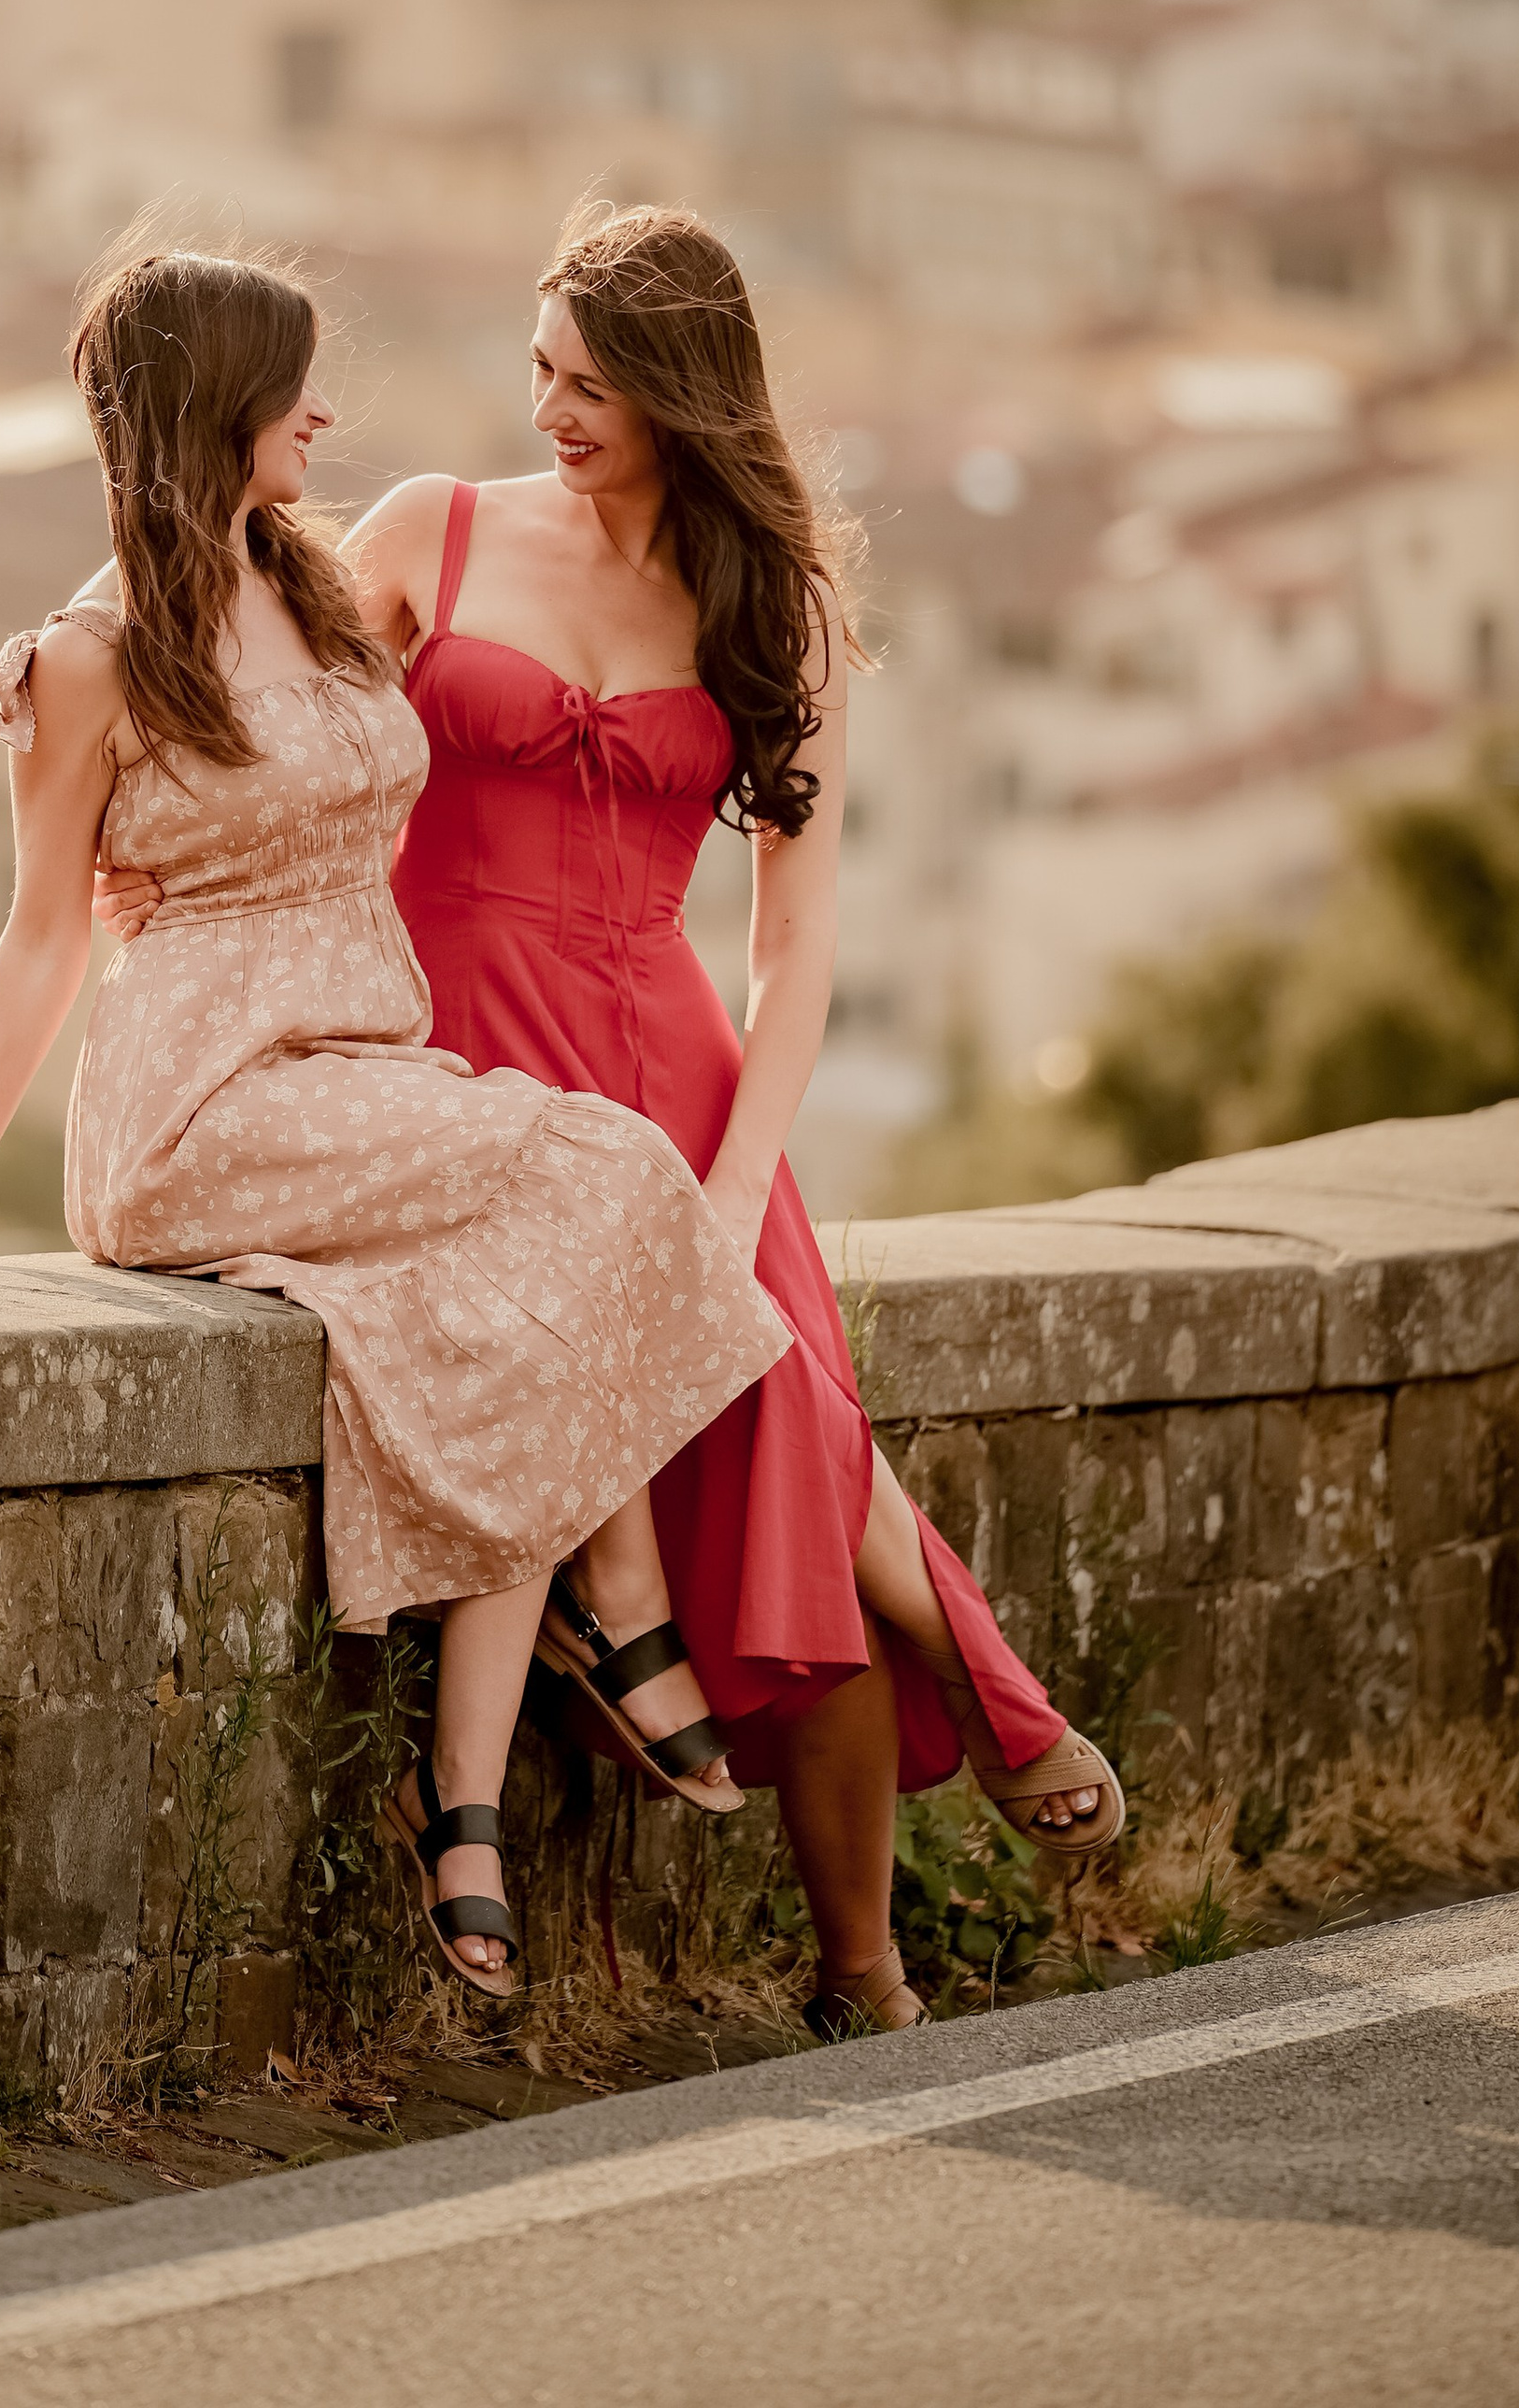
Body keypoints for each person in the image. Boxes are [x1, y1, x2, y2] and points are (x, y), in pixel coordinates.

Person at [98, 207, 1122, 2038]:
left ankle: (860, 1968)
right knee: (748, 1436)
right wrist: (108, 775)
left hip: (673, 1089)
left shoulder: (766, 601)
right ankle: (997, 1697)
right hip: (449, 1057)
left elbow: (793, 951)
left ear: (676, 392)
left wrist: (730, 1197)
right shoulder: (432, 528)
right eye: (538, 375)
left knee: (785, 1465)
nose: (552, 410)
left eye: (590, 383)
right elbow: (243, 682)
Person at [0, 245, 787, 1998]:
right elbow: (38, 941)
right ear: (214, 410)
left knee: (542, 1267)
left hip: (350, 1071)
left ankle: (467, 1792)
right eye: (294, 389)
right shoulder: (92, 660)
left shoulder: (324, 593)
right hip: (204, 1097)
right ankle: (611, 1597)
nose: (325, 414)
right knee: (613, 1169)